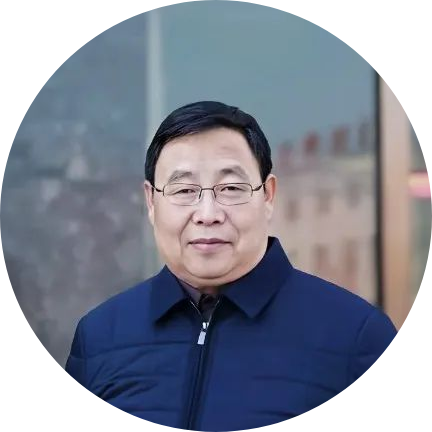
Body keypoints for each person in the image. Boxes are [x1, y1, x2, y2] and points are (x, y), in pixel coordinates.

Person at [66, 101, 397, 431]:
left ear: (268, 196)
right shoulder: (99, 337)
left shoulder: (357, 336)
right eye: (184, 190)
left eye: (231, 188)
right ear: (152, 202)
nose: (207, 214)